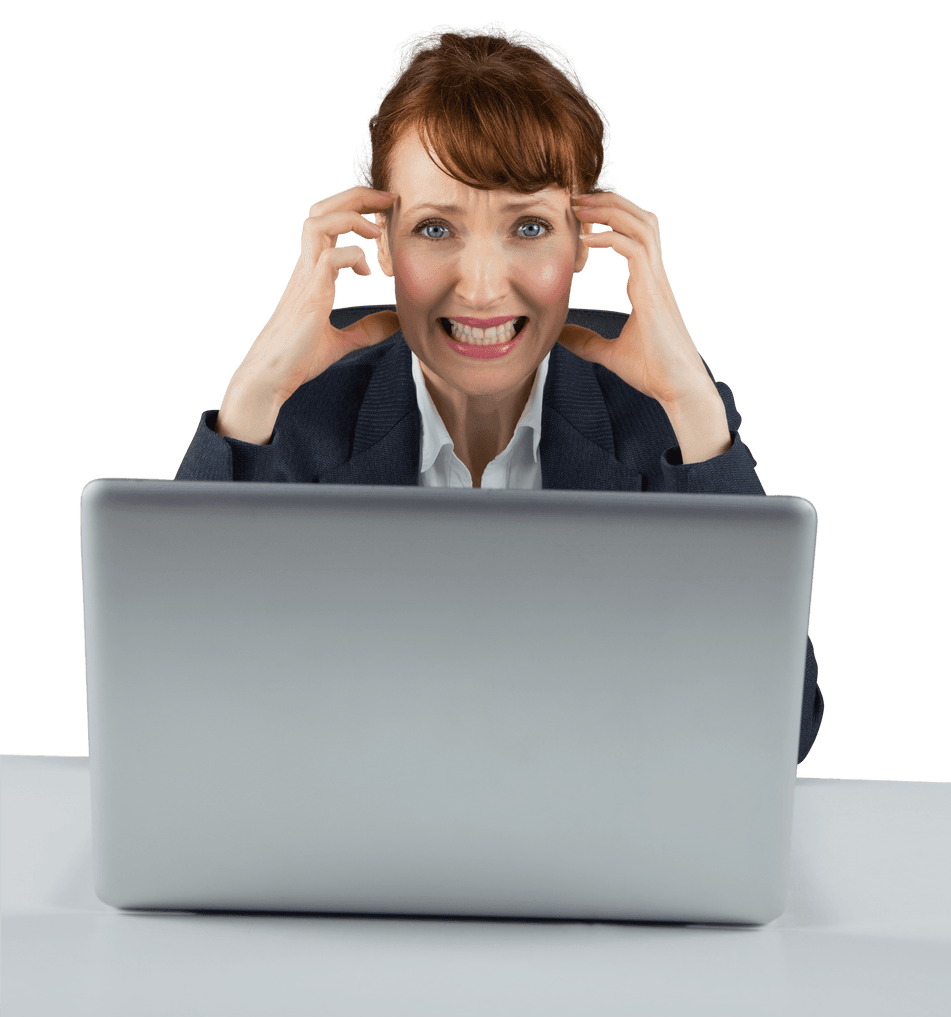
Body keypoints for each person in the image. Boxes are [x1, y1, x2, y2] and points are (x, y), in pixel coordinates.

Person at [175, 22, 824, 763]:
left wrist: (694, 411)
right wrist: (253, 396)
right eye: (434, 229)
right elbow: (174, 699)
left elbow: (781, 733)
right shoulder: (299, 415)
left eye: (530, 226)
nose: (482, 288)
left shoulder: (662, 421)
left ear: (585, 242)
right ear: (381, 241)